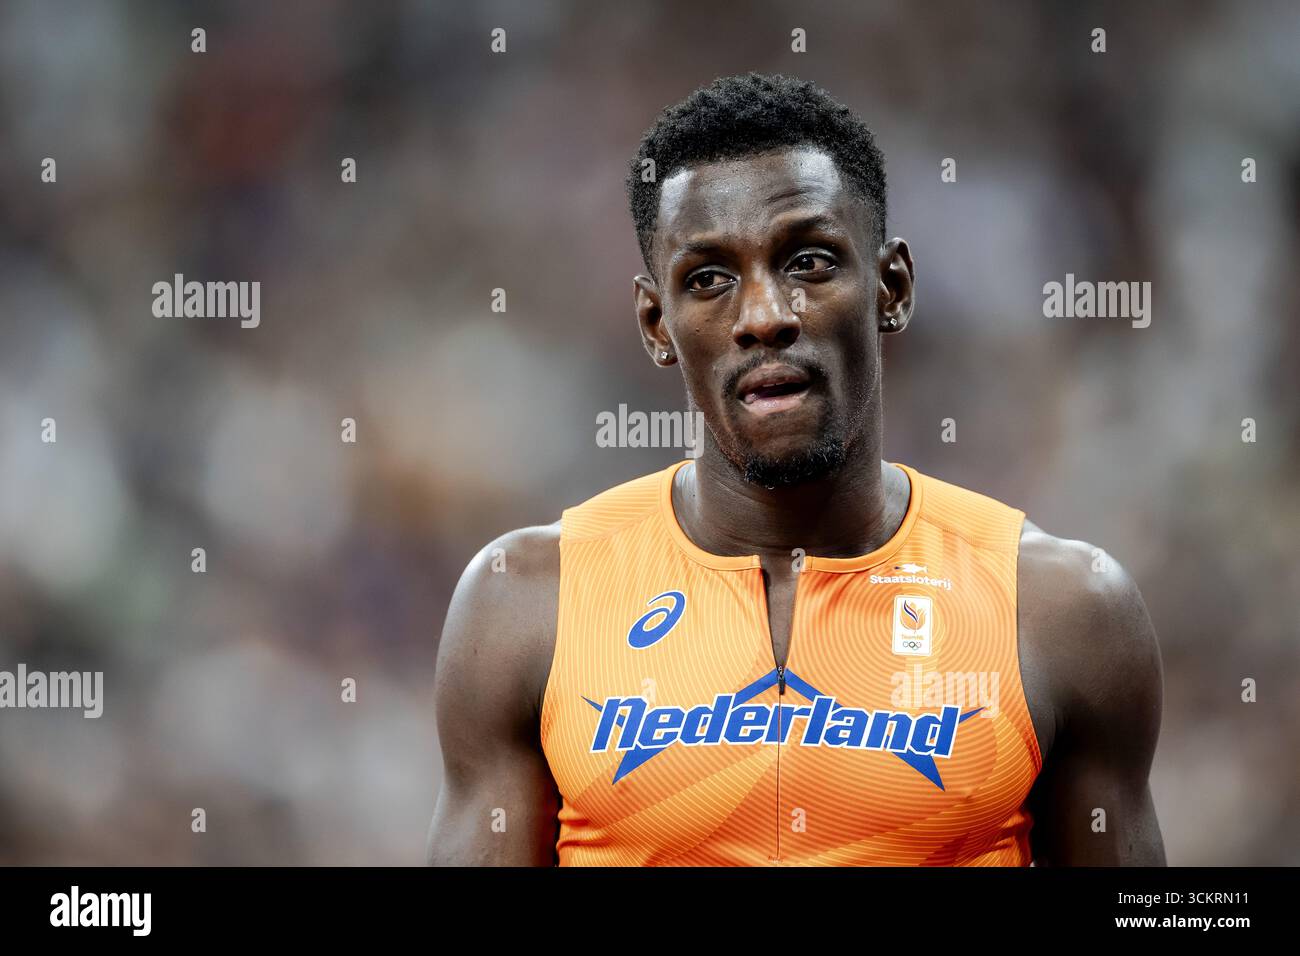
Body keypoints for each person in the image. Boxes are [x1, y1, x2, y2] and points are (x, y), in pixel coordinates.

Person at [427, 72, 1166, 866]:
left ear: (892, 286)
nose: (765, 317)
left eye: (808, 262)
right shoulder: (526, 604)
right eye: (707, 279)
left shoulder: (1061, 610)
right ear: (656, 324)